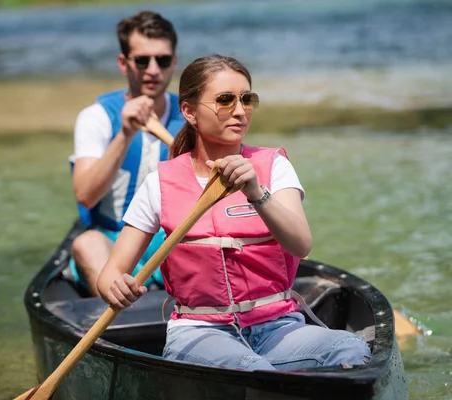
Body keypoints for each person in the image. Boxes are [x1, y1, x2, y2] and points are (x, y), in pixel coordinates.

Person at [97, 55, 371, 371]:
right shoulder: (159, 182)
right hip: (199, 331)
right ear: (189, 111)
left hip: (278, 326)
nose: (240, 111)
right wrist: (116, 288)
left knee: (352, 350)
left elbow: (301, 244)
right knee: (254, 372)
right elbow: (110, 276)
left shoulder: (274, 166)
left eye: (246, 99)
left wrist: (256, 192)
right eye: (225, 100)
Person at [69, 11, 185, 296]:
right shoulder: (96, 117)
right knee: (85, 244)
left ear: (175, 63)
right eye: (143, 60)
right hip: (113, 241)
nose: (153, 70)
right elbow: (86, 194)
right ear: (124, 64)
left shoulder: (191, 116)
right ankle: (119, 322)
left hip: (173, 243)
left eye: (163, 60)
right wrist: (125, 134)